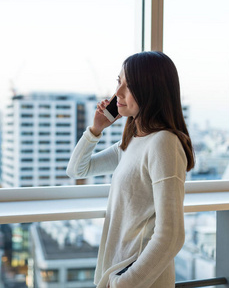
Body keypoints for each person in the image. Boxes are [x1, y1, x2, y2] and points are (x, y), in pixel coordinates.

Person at [66, 51, 195, 288]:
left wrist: (123, 283)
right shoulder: (133, 141)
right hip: (119, 271)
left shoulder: (164, 143)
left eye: (130, 85)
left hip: (137, 278)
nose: (117, 93)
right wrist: (96, 129)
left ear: (151, 91)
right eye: (119, 82)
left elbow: (172, 235)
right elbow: (77, 170)